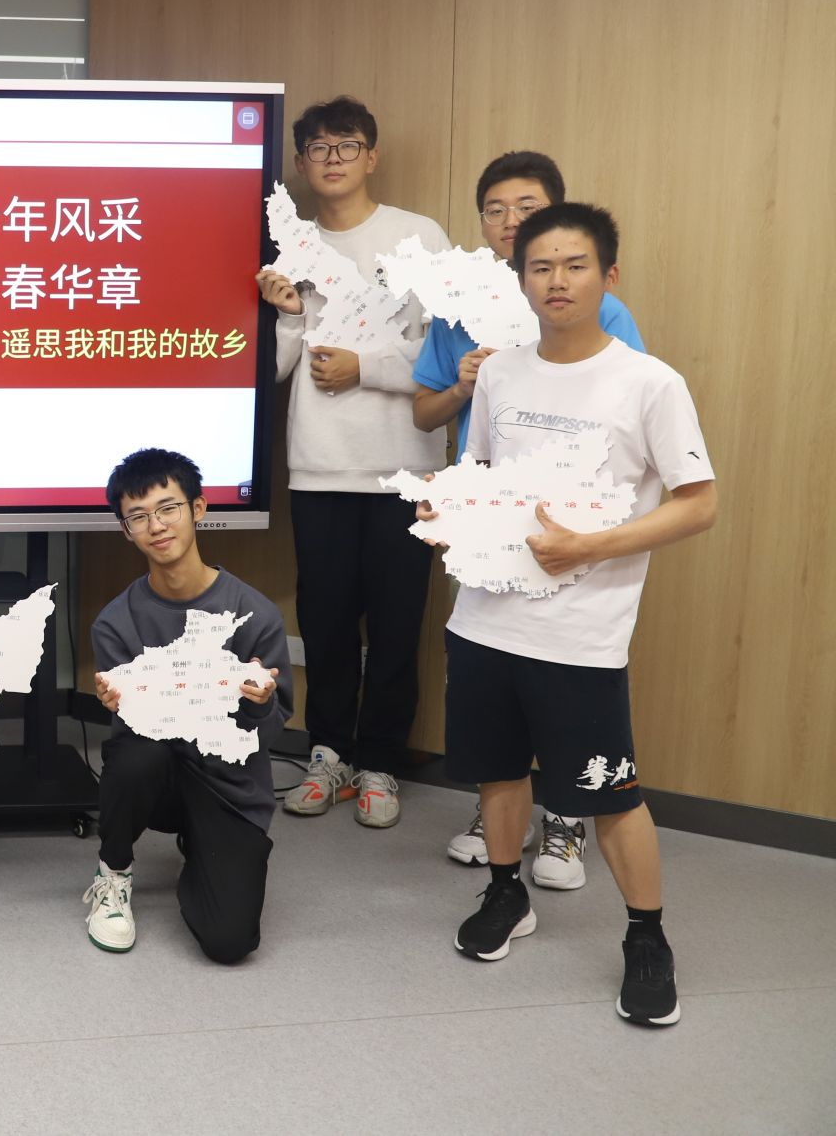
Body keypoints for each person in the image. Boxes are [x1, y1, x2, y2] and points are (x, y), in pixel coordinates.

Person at [424, 203, 715, 1026]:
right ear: (521, 279)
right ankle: (506, 892)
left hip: (582, 635)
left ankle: (646, 937)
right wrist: (448, 512)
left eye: (575, 264)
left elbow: (699, 503)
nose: (557, 280)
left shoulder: (650, 382)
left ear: (608, 276)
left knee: (609, 794)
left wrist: (591, 545)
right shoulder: (502, 373)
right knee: (498, 769)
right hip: (484, 620)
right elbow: (481, 474)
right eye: (541, 266)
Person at [411, 151, 647, 887]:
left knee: (567, 690)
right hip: (490, 534)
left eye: (528, 207)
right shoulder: (459, 307)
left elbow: (627, 426)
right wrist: (463, 386)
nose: (510, 221)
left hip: (576, 542)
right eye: (496, 209)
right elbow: (428, 414)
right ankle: (501, 825)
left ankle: (567, 821)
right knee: (497, 690)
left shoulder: (600, 310)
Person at [254, 95, 447, 830]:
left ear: (372, 155)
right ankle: (329, 753)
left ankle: (382, 762)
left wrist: (365, 367)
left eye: (347, 145)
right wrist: (289, 317)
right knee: (327, 622)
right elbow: (275, 370)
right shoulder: (290, 245)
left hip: (403, 468)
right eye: (318, 148)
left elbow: (446, 354)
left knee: (397, 626)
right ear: (302, 164)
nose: (333, 158)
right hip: (320, 466)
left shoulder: (416, 236)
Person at [83, 447, 291, 964]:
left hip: (227, 782)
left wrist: (259, 705)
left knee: (229, 942)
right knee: (137, 755)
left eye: (168, 508)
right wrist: (119, 705)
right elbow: (128, 737)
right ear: (125, 530)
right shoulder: (115, 623)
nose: (156, 526)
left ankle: (203, 848)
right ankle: (113, 871)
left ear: (198, 509)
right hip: (159, 772)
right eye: (138, 516)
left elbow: (269, 734)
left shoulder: (254, 614)